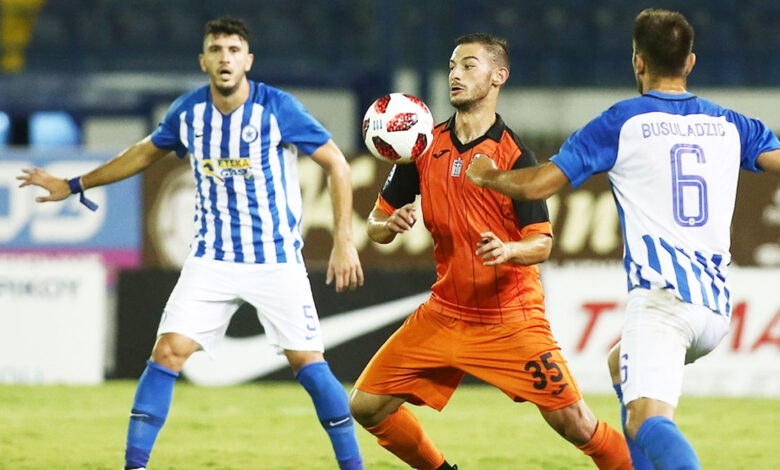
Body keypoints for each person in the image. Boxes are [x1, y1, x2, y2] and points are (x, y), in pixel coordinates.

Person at [17, 17, 366, 470]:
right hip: (211, 260)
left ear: (248, 60)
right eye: (216, 50)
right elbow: (143, 153)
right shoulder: (189, 113)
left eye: (234, 50)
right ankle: (134, 467)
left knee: (309, 365)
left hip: (275, 261)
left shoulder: (277, 108)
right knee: (167, 353)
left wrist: (344, 241)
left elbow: (337, 163)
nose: (225, 58)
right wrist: (75, 184)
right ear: (203, 61)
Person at [466, 9, 780, 470]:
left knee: (647, 420)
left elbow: (537, 186)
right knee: (620, 364)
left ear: (638, 61)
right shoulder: (731, 124)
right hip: (714, 310)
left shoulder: (622, 122)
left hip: (663, 304)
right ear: (690, 62)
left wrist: (488, 175)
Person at [348, 33, 631, 470]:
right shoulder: (422, 145)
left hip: (510, 319)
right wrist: (389, 225)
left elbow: (542, 243)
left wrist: (509, 249)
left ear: (498, 76)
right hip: (444, 313)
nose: (455, 75)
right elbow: (374, 223)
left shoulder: (515, 155)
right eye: (451, 66)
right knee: (366, 406)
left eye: (468, 66)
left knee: (576, 423)